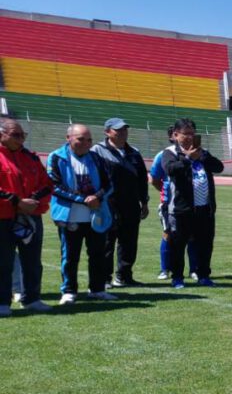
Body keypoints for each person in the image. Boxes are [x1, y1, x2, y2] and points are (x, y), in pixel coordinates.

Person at [47, 124, 116, 303]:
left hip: (96, 215)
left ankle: (97, 289)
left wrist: (97, 197)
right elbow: (54, 186)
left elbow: (109, 184)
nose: (86, 143)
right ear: (68, 138)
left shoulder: (97, 158)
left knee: (98, 254)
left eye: (89, 139)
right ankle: (69, 291)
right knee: (70, 256)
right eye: (80, 139)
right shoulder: (56, 157)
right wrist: (83, 200)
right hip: (70, 216)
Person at [161, 118, 224, 288]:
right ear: (175, 135)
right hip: (182, 209)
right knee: (178, 245)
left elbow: (219, 167)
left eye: (192, 134)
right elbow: (170, 169)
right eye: (185, 134)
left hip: (204, 208)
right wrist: (188, 159)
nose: (189, 137)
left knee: (205, 244)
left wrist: (201, 156)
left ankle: (204, 275)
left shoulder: (202, 152)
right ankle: (178, 277)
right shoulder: (170, 153)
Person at [0, 118, 53, 315]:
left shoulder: (30, 157)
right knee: (3, 261)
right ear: (1, 135)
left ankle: (31, 299)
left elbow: (47, 183)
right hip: (3, 217)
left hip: (31, 216)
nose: (20, 139)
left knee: (32, 260)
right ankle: (2, 302)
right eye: (15, 135)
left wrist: (32, 201)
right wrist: (16, 201)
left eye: (23, 135)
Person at [93, 118, 149, 288]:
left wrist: (144, 202)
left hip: (131, 204)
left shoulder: (134, 152)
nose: (123, 133)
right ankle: (104, 278)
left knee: (129, 242)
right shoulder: (97, 151)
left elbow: (141, 179)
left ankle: (125, 275)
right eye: (118, 130)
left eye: (125, 130)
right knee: (107, 242)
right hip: (108, 204)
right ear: (107, 132)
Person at [150, 127, 199, 280]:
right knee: (169, 234)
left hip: (189, 202)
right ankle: (165, 269)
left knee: (192, 235)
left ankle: (193, 270)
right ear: (173, 136)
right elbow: (154, 179)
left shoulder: (195, 152)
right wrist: (165, 193)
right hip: (170, 203)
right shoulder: (164, 154)